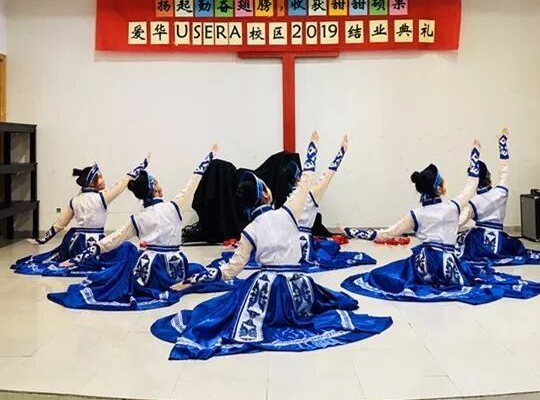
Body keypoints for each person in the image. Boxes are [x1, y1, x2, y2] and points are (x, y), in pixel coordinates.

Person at [151, 132, 392, 360]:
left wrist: (192, 281)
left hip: (264, 288)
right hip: (298, 286)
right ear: (266, 195)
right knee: (327, 302)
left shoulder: (249, 230)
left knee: (224, 309)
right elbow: (308, 178)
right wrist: (313, 147)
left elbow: (230, 271)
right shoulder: (288, 212)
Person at [340, 141, 540, 305]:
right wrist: (475, 152)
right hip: (449, 266)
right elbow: (471, 186)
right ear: (439, 188)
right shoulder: (452, 207)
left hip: (425, 265)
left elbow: (386, 234)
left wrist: (351, 232)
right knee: (471, 271)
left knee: (383, 275)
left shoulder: (416, 214)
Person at [47, 145, 234, 311]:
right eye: (157, 183)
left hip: (148, 270)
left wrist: (77, 258)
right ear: (155, 189)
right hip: (174, 267)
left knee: (129, 257)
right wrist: (208, 157)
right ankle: (185, 282)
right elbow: (192, 183)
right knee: (197, 269)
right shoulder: (174, 207)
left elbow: (112, 240)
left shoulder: (138, 218)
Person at [213, 135, 376, 273]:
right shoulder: (296, 202)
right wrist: (332, 151)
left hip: (282, 244)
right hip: (299, 247)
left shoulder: (286, 202)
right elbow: (327, 174)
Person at [12, 158, 149, 276]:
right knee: (127, 249)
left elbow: (61, 223)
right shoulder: (102, 197)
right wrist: (139, 168)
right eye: (100, 177)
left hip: (75, 244)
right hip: (95, 242)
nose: (104, 179)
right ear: (93, 182)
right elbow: (121, 184)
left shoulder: (75, 200)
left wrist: (43, 239)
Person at [456, 128, 540, 266]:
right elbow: (505, 169)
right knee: (516, 246)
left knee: (459, 242)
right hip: (500, 240)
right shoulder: (501, 192)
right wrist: (502, 143)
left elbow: (459, 222)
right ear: (488, 176)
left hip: (478, 241)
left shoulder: (473, 202)